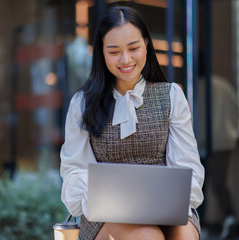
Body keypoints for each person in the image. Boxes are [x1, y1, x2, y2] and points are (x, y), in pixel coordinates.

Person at [60, 6, 204, 240]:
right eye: (114, 51)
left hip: (165, 209)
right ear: (101, 52)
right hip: (104, 218)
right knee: (147, 236)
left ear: (146, 44)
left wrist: (169, 202)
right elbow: (74, 170)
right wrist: (99, 200)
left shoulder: (172, 96)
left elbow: (188, 169)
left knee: (185, 235)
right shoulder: (83, 103)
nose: (125, 59)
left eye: (133, 48)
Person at [198, 73, 239, 239]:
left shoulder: (198, 87)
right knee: (219, 184)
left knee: (201, 185)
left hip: (202, 142)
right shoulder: (224, 85)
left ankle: (202, 226)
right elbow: (236, 112)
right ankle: (229, 218)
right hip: (224, 141)